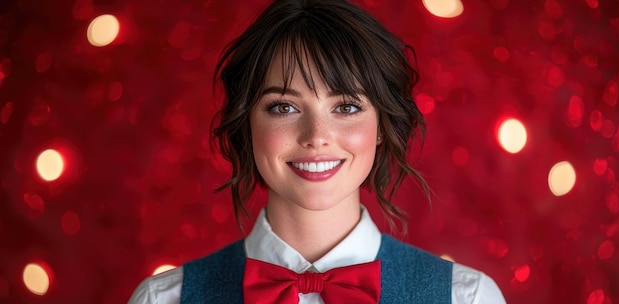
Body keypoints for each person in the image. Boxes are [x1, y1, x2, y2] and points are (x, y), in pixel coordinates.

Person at [129, 0, 507, 303]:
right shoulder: (163, 299)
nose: (316, 136)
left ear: (381, 127)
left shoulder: (467, 297)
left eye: (346, 107)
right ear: (247, 124)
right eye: (283, 107)